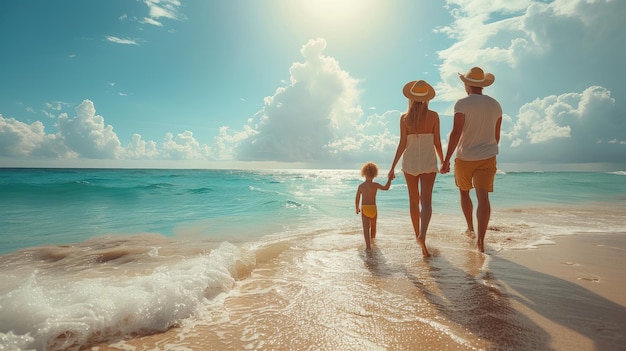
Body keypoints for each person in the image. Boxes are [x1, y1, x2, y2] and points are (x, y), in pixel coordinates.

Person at [440, 67, 502, 253]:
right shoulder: (495, 105)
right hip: (488, 156)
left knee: (464, 192)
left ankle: (470, 229)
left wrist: (446, 160)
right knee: (483, 198)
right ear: (482, 85)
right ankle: (481, 241)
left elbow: (456, 133)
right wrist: (488, 149)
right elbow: (496, 135)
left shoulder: (462, 104)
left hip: (465, 156)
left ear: (467, 84)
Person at [388, 80, 444, 257]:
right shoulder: (434, 116)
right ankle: (423, 234)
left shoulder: (405, 118)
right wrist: (444, 161)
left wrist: (392, 167)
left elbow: (402, 144)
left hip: (410, 161)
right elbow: (437, 142)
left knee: (413, 201)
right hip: (428, 160)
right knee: (426, 202)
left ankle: (417, 236)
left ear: (411, 98)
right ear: (427, 98)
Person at [355, 162, 391, 250]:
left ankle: (368, 247)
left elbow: (357, 198)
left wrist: (357, 208)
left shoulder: (361, 186)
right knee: (373, 227)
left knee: (366, 228)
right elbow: (386, 188)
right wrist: (389, 179)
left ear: (364, 173)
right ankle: (373, 242)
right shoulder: (375, 185)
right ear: (374, 174)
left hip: (365, 208)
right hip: (373, 209)